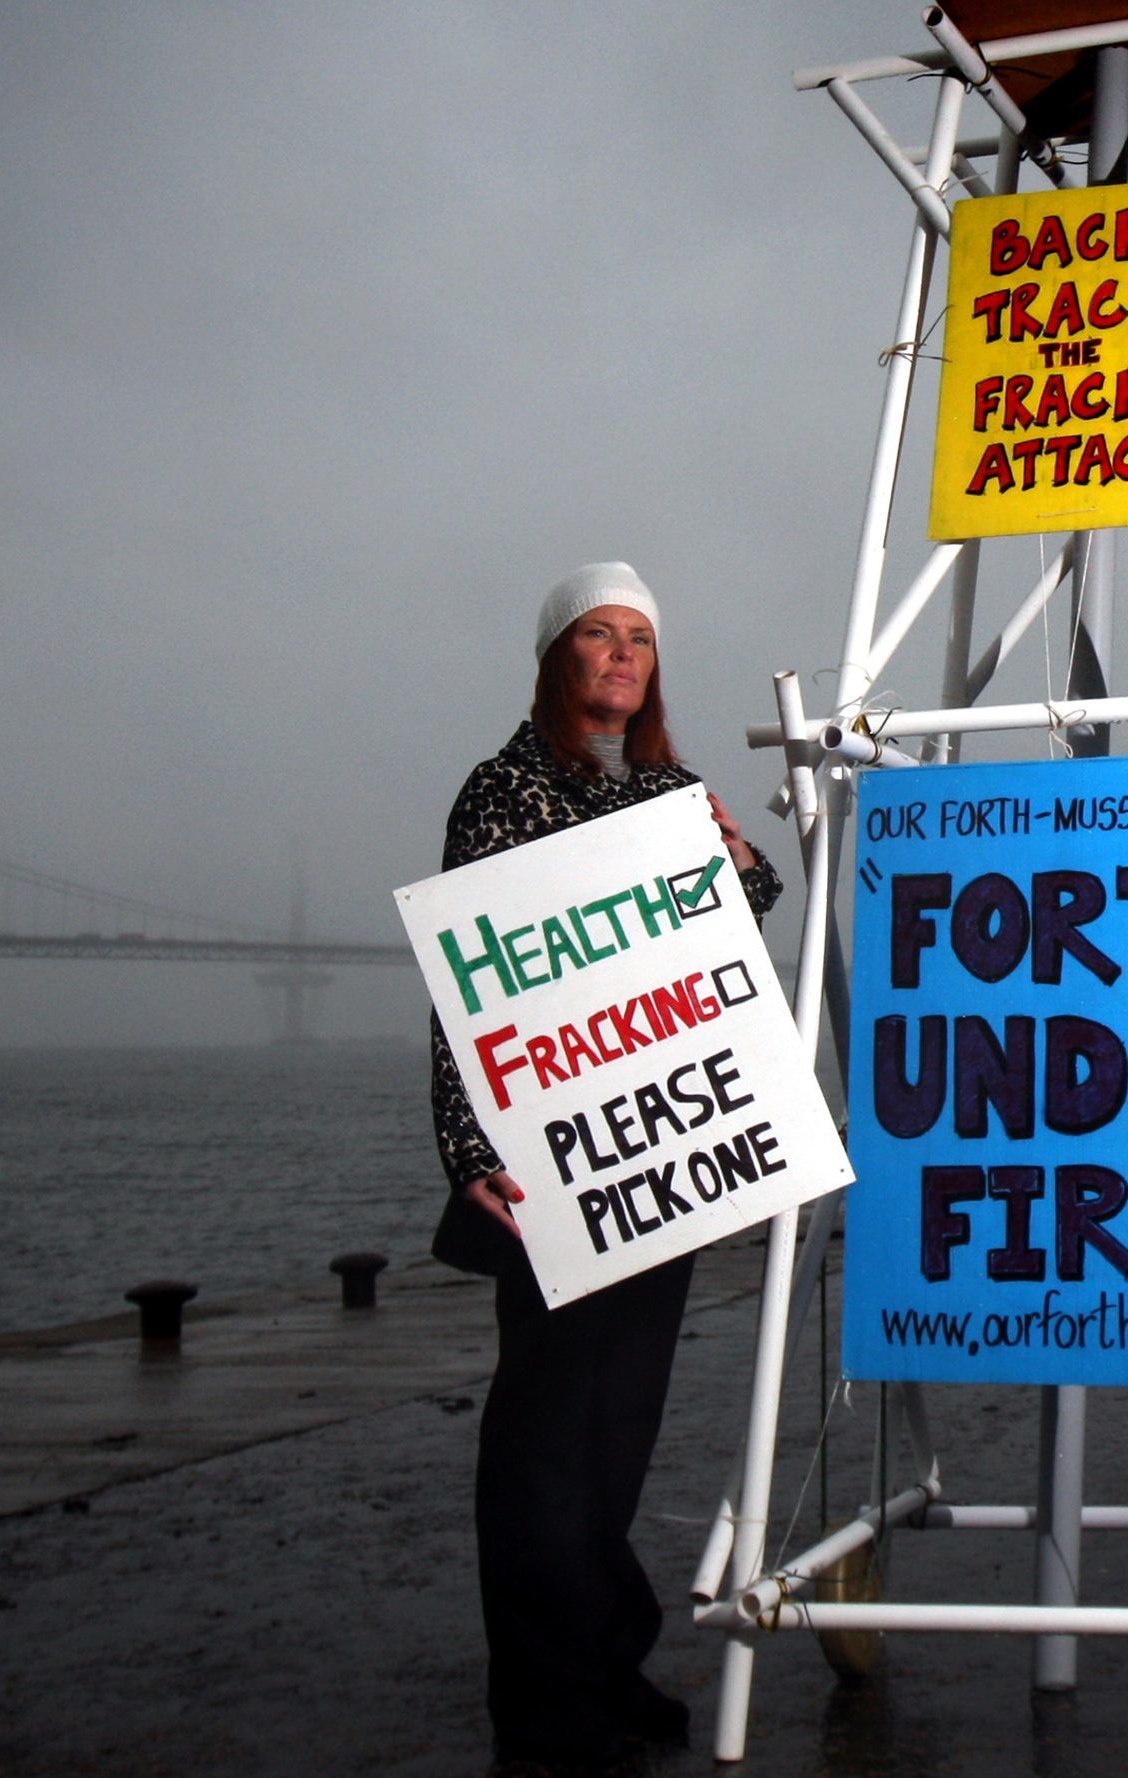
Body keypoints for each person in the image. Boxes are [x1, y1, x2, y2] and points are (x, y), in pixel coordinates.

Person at [426, 561, 779, 1771]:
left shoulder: (674, 789)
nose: (623, 655)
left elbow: (740, 911)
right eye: (598, 636)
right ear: (556, 658)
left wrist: (737, 856)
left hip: (662, 1164)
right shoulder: (504, 789)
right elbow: (466, 979)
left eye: (639, 639)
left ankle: (605, 1662)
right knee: (541, 1442)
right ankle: (542, 1701)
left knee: (618, 1432)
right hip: (550, 1170)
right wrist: (470, 1148)